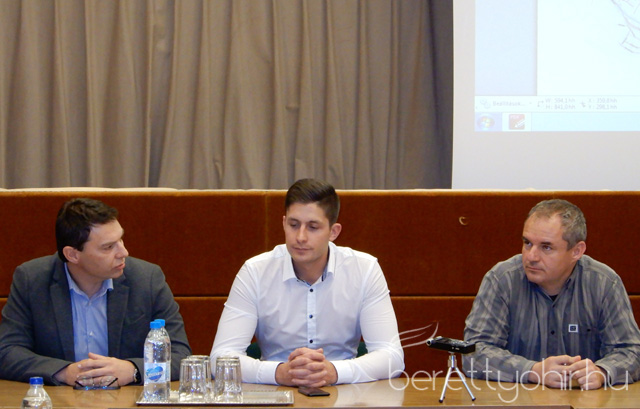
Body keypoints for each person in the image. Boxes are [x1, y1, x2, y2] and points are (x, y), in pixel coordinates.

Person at [210, 178, 404, 386]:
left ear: (333, 232)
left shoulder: (364, 270)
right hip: (276, 392)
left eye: (313, 227)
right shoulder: (255, 272)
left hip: (345, 391)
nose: (300, 237)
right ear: (283, 223)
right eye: (293, 225)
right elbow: (219, 359)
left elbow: (392, 357)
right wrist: (279, 373)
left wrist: (333, 372)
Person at [0, 198, 191, 386]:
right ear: (72, 255)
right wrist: (63, 372)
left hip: (125, 399)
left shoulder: (147, 279)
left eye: (120, 239)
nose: (123, 252)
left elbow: (181, 356)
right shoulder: (32, 280)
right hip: (61, 400)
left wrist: (133, 370)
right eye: (108, 247)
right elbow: (6, 352)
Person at [463, 199, 640, 390]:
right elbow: (473, 353)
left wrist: (602, 372)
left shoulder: (604, 283)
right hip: (517, 400)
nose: (531, 256)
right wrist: (532, 370)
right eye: (527, 243)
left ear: (576, 251)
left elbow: (632, 352)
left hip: (583, 400)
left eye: (546, 247)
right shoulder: (501, 280)